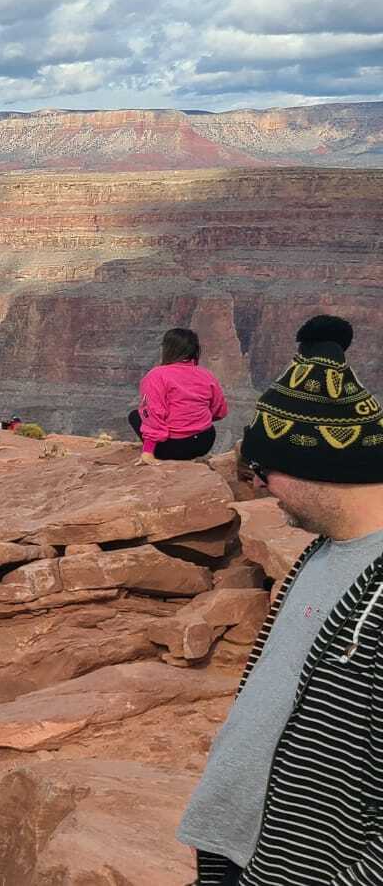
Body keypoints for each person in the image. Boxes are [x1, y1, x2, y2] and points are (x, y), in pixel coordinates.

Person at [179, 314, 383, 885]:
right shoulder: (321, 553)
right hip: (242, 850)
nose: (257, 484)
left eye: (261, 469)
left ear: (316, 467)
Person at [131, 328, 228, 463]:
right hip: (204, 441)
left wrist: (148, 452)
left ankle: (155, 452)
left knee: (135, 415)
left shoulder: (156, 375)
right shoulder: (206, 375)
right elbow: (220, 411)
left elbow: (152, 413)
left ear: (167, 349)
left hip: (173, 447)